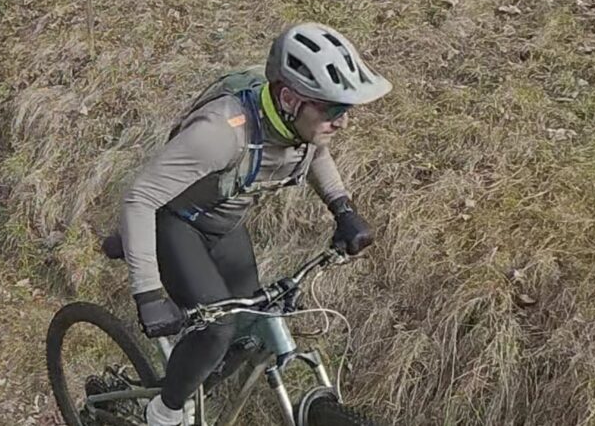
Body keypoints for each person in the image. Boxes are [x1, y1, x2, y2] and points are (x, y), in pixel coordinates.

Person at [117, 23, 392, 425]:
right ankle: (162, 412)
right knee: (217, 329)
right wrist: (148, 294)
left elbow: (313, 152)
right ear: (289, 98)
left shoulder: (293, 123)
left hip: (225, 224)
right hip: (176, 224)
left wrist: (343, 209)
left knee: (250, 327)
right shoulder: (220, 134)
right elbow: (140, 197)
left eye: (347, 109)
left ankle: (193, 385)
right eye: (333, 110)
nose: (344, 122)